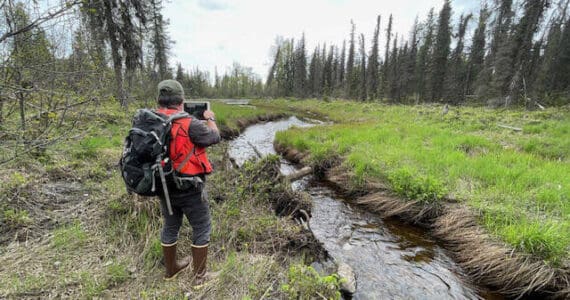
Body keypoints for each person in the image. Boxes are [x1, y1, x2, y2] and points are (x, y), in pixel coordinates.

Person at [154, 79, 220, 287]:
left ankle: (171, 270)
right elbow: (214, 137)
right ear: (181, 101)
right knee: (201, 226)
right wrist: (210, 119)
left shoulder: (152, 120)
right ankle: (200, 278)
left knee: (171, 225)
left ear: (159, 100)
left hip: (163, 186)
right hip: (189, 186)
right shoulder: (190, 123)